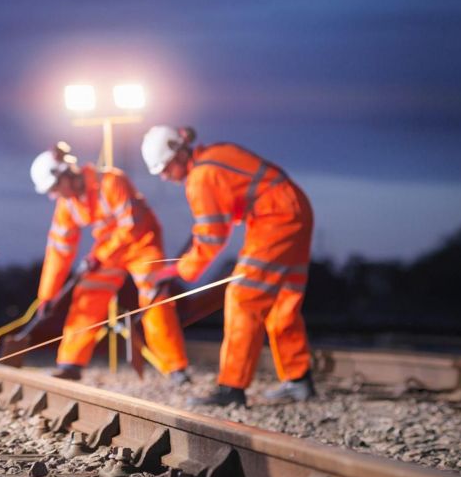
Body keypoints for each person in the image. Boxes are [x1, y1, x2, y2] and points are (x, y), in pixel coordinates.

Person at [141, 126, 315, 406]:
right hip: (294, 208)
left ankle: (231, 388)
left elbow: (211, 237)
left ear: (178, 155)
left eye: (165, 169)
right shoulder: (213, 156)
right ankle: (298, 379)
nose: (164, 176)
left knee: (243, 296)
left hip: (275, 218)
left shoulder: (201, 176)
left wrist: (177, 271)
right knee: (283, 299)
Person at [30, 142, 189, 384]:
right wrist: (47, 295)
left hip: (142, 243)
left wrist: (98, 256)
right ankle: (70, 364)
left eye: (55, 188)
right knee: (87, 295)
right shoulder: (67, 204)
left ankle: (175, 368)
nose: (56, 195)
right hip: (108, 251)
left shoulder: (111, 181)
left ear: (67, 174)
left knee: (154, 298)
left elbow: (131, 226)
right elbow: (58, 250)